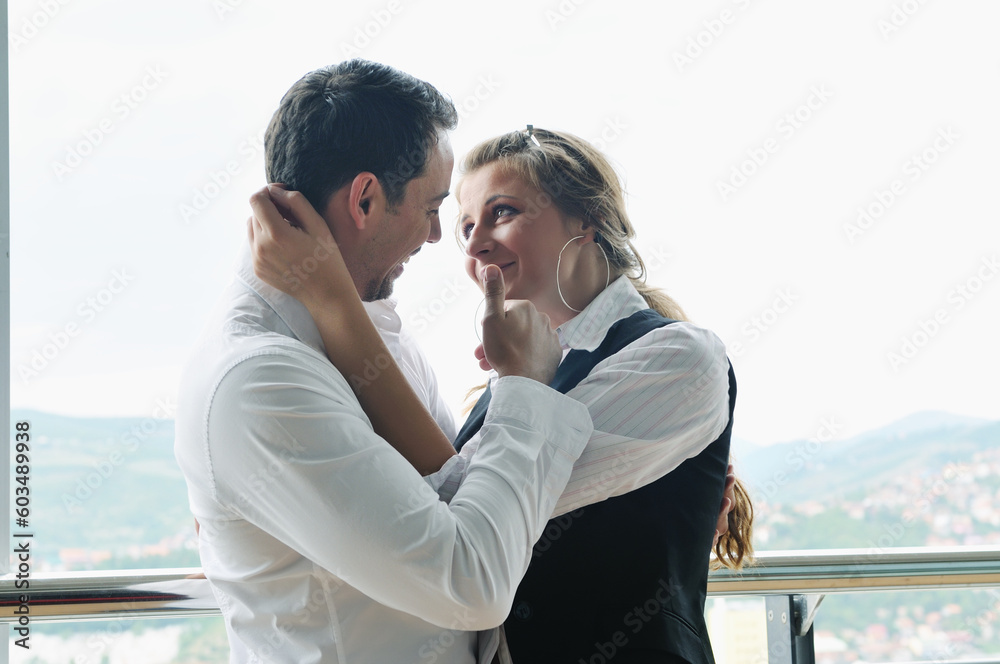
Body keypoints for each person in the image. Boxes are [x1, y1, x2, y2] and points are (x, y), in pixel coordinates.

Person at [249, 125, 753, 663]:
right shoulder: (511, 382)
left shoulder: (680, 359)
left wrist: (331, 298)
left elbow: (459, 506)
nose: (474, 241)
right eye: (465, 224)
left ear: (586, 217)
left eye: (503, 212)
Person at [174, 60, 601, 664]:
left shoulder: (369, 330)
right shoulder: (259, 378)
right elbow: (470, 583)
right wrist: (523, 387)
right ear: (366, 200)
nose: (434, 237)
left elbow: (455, 494)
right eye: (432, 209)